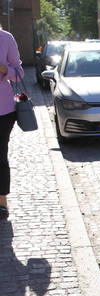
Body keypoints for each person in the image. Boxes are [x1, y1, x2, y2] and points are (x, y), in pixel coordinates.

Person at [0, 23, 24, 220]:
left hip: (3, 110)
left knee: (0, 156)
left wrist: (3, 68)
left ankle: (1, 203)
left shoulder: (5, 38)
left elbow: (19, 74)